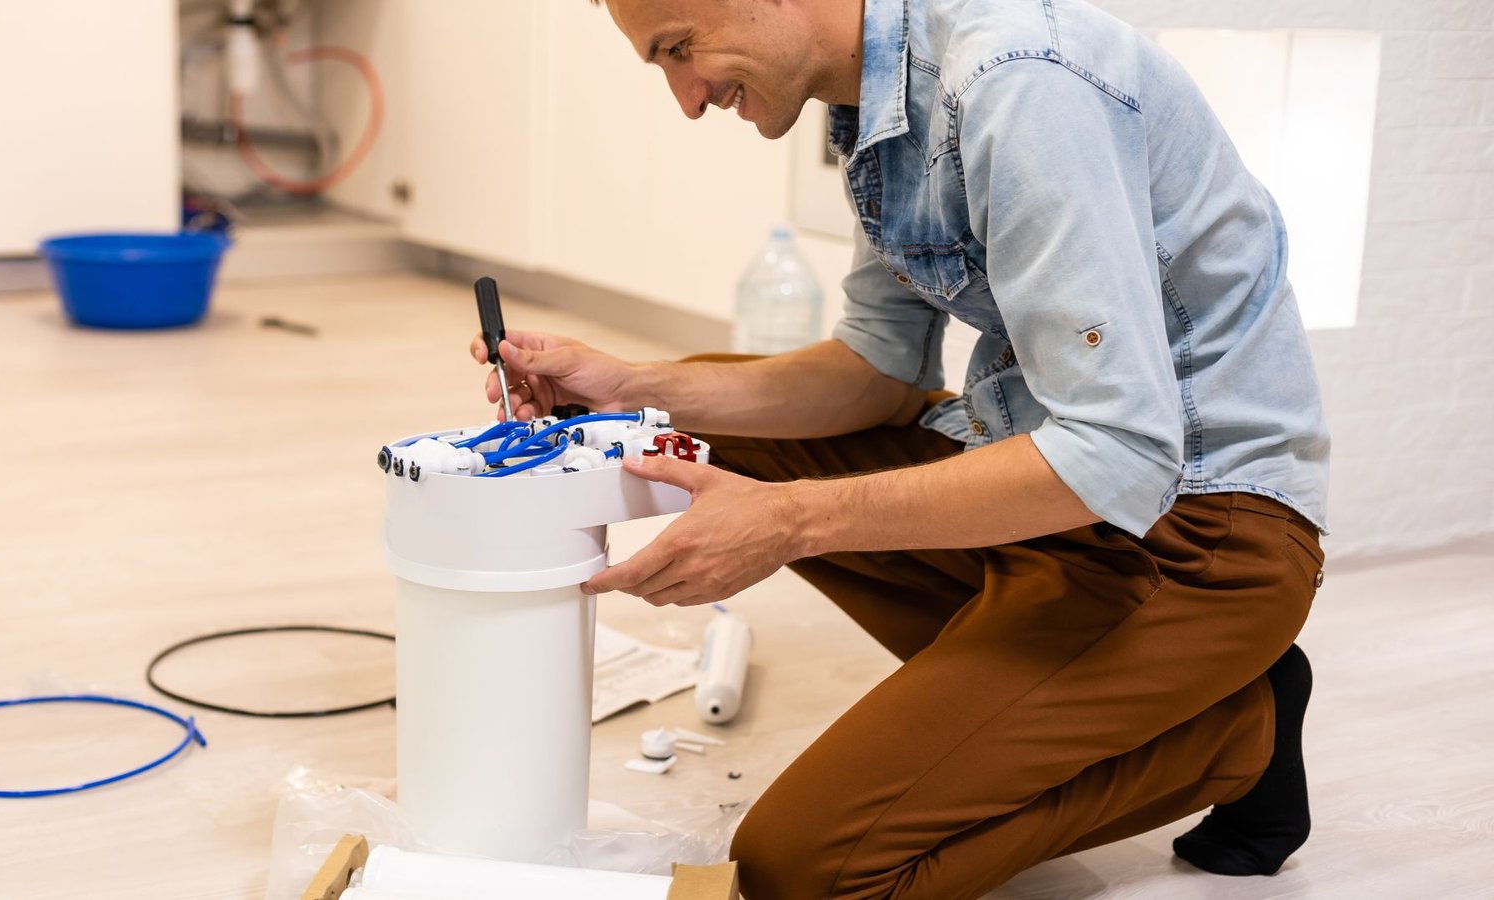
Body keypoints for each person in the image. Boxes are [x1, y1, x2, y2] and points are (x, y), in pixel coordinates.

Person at [469, 0, 1330, 896]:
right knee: (699, 432)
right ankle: (1107, 686)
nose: (687, 99)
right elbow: (874, 370)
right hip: (1062, 490)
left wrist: (791, 522)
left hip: (1195, 534)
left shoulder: (1019, 82)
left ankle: (1235, 730)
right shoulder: (879, 103)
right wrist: (634, 387)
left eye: (680, 49)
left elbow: (1118, 451)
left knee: (807, 872)